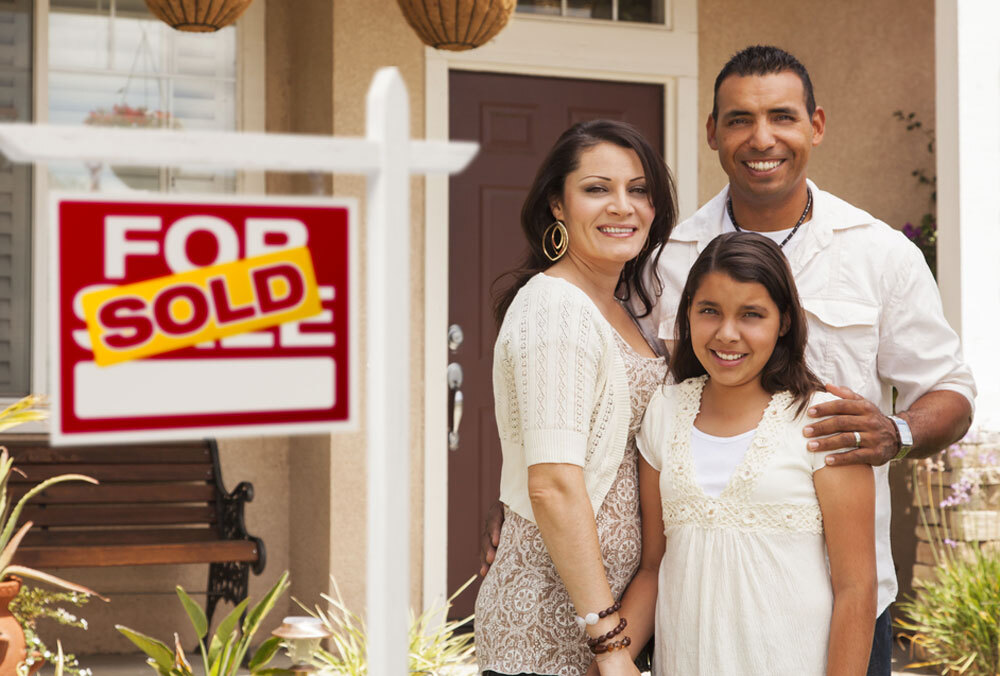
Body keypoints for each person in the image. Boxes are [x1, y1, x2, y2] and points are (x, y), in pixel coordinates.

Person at [481, 46, 976, 676]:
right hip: (686, 607)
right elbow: (604, 399)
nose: (761, 137)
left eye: (782, 117)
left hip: (844, 602)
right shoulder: (662, 258)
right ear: (713, 132)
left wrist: (897, 432)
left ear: (815, 126)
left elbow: (951, 389)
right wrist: (530, 488)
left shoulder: (879, 254)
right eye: (739, 119)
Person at [474, 119, 677, 676]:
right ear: (557, 207)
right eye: (596, 189)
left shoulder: (625, 310)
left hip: (610, 623)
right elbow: (554, 484)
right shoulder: (555, 307)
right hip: (548, 630)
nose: (622, 206)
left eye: (638, 190)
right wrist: (610, 645)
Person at [634, 231, 876, 674]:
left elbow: (856, 588)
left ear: (783, 321)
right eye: (709, 311)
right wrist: (608, 656)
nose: (728, 334)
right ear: (687, 315)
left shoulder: (823, 421)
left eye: (751, 314)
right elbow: (653, 567)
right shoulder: (664, 411)